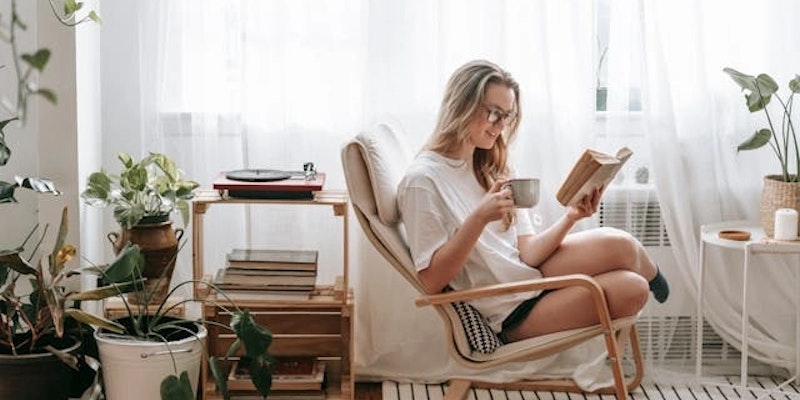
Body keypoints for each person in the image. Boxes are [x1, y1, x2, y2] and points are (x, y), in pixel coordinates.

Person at [396, 59, 669, 344]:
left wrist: (571, 217)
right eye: (494, 113)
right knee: (633, 289)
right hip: (510, 310)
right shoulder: (423, 181)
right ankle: (648, 280)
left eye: (507, 116)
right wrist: (478, 219)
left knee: (622, 245)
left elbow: (527, 252)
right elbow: (430, 281)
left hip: (530, 276)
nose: (500, 126)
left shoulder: (489, 165)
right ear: (462, 104)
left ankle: (655, 276)